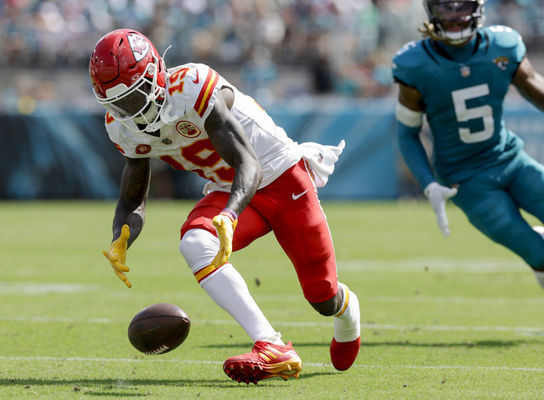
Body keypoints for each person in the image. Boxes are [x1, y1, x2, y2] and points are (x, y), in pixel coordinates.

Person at [89, 29, 361, 384]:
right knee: (195, 243)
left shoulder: (192, 87)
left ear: (156, 73)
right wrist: (120, 236)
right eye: (120, 103)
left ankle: (348, 313)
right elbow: (133, 195)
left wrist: (230, 215)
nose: (132, 111)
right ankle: (271, 345)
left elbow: (250, 164)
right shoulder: (123, 128)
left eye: (136, 96)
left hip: (281, 177)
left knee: (321, 296)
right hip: (226, 185)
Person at [392, 0, 544, 288]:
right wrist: (428, 183)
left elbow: (536, 88)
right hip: (467, 181)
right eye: (444, 7)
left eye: (461, 6)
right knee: (539, 254)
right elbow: (407, 134)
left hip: (511, 160)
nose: (453, 16)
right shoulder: (416, 65)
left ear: (477, 7)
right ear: (430, 11)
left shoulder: (503, 46)